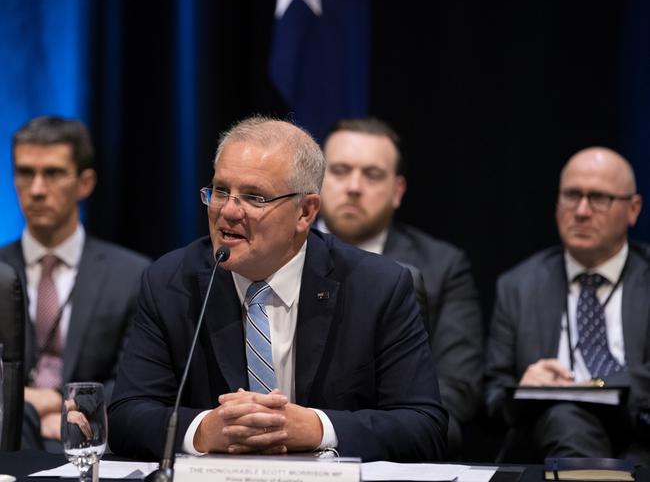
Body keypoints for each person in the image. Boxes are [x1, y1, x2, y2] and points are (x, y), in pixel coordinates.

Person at [108, 116, 448, 462]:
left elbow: (424, 427)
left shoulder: (378, 286)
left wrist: (317, 428)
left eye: (254, 197)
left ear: (305, 211)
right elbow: (125, 417)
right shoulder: (170, 281)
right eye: (221, 190)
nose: (227, 211)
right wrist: (202, 430)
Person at [317, 117, 483, 455]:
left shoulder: (442, 267)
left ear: (398, 191)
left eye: (372, 175)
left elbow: (457, 390)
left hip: (395, 450)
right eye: (339, 170)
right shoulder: (277, 254)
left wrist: (373, 434)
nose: (353, 186)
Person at [485, 147, 650, 463]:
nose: (582, 211)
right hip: (547, 442)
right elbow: (492, 399)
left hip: (639, 434)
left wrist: (596, 388)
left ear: (633, 208)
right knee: (565, 417)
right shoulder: (517, 286)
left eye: (599, 198)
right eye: (571, 195)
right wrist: (524, 389)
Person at [0, 116, 151, 452]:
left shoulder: (132, 275)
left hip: (91, 441)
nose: (37, 190)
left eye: (52, 174)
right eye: (25, 173)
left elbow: (137, 383)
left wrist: (62, 405)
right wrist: (27, 410)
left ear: (85, 183)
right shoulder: (0, 270)